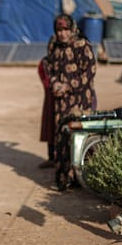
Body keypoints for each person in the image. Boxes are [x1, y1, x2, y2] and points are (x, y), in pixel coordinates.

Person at [46, 14, 97, 191]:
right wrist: (55, 84)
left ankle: (84, 178)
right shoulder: (54, 45)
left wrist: (68, 86)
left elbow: (90, 71)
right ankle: (64, 179)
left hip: (80, 100)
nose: (62, 34)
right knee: (62, 136)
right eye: (59, 30)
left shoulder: (82, 45)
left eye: (66, 29)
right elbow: (48, 66)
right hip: (61, 102)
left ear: (72, 28)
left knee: (80, 138)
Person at [37, 56, 55, 169]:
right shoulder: (46, 61)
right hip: (50, 96)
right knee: (50, 125)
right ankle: (52, 157)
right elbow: (41, 71)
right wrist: (47, 85)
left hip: (67, 99)